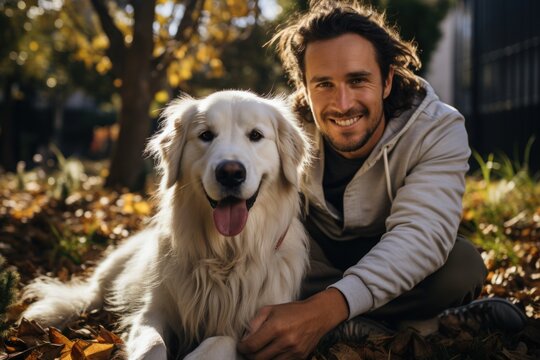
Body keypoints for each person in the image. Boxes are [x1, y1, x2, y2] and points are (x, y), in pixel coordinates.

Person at [237, 1, 527, 359]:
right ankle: (427, 324)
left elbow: (422, 234)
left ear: (387, 80)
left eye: (358, 80)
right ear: (304, 88)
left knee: (461, 267)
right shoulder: (281, 131)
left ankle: (333, 322)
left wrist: (325, 309)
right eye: (323, 84)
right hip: (307, 262)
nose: (342, 104)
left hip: (391, 254)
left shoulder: (437, 127)